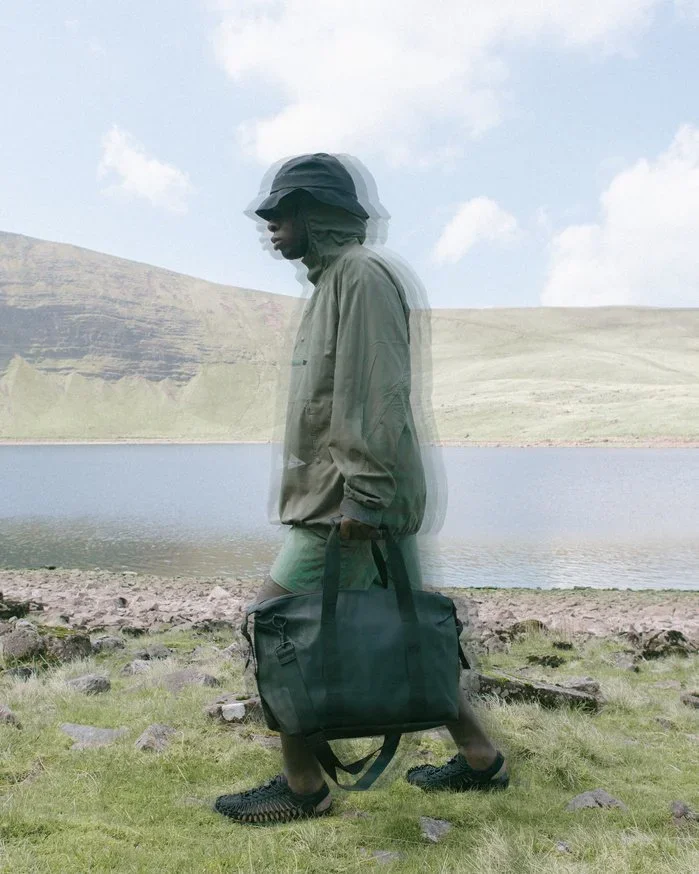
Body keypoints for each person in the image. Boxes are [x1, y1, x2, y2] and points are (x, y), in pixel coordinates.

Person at [215, 153, 508, 825]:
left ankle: (303, 787)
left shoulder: (360, 277)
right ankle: (480, 758)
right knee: (409, 633)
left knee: (275, 626)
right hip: (357, 500)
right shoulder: (335, 282)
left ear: (316, 215)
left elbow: (377, 393)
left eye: (281, 211)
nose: (269, 224)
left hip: (347, 506)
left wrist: (367, 496)